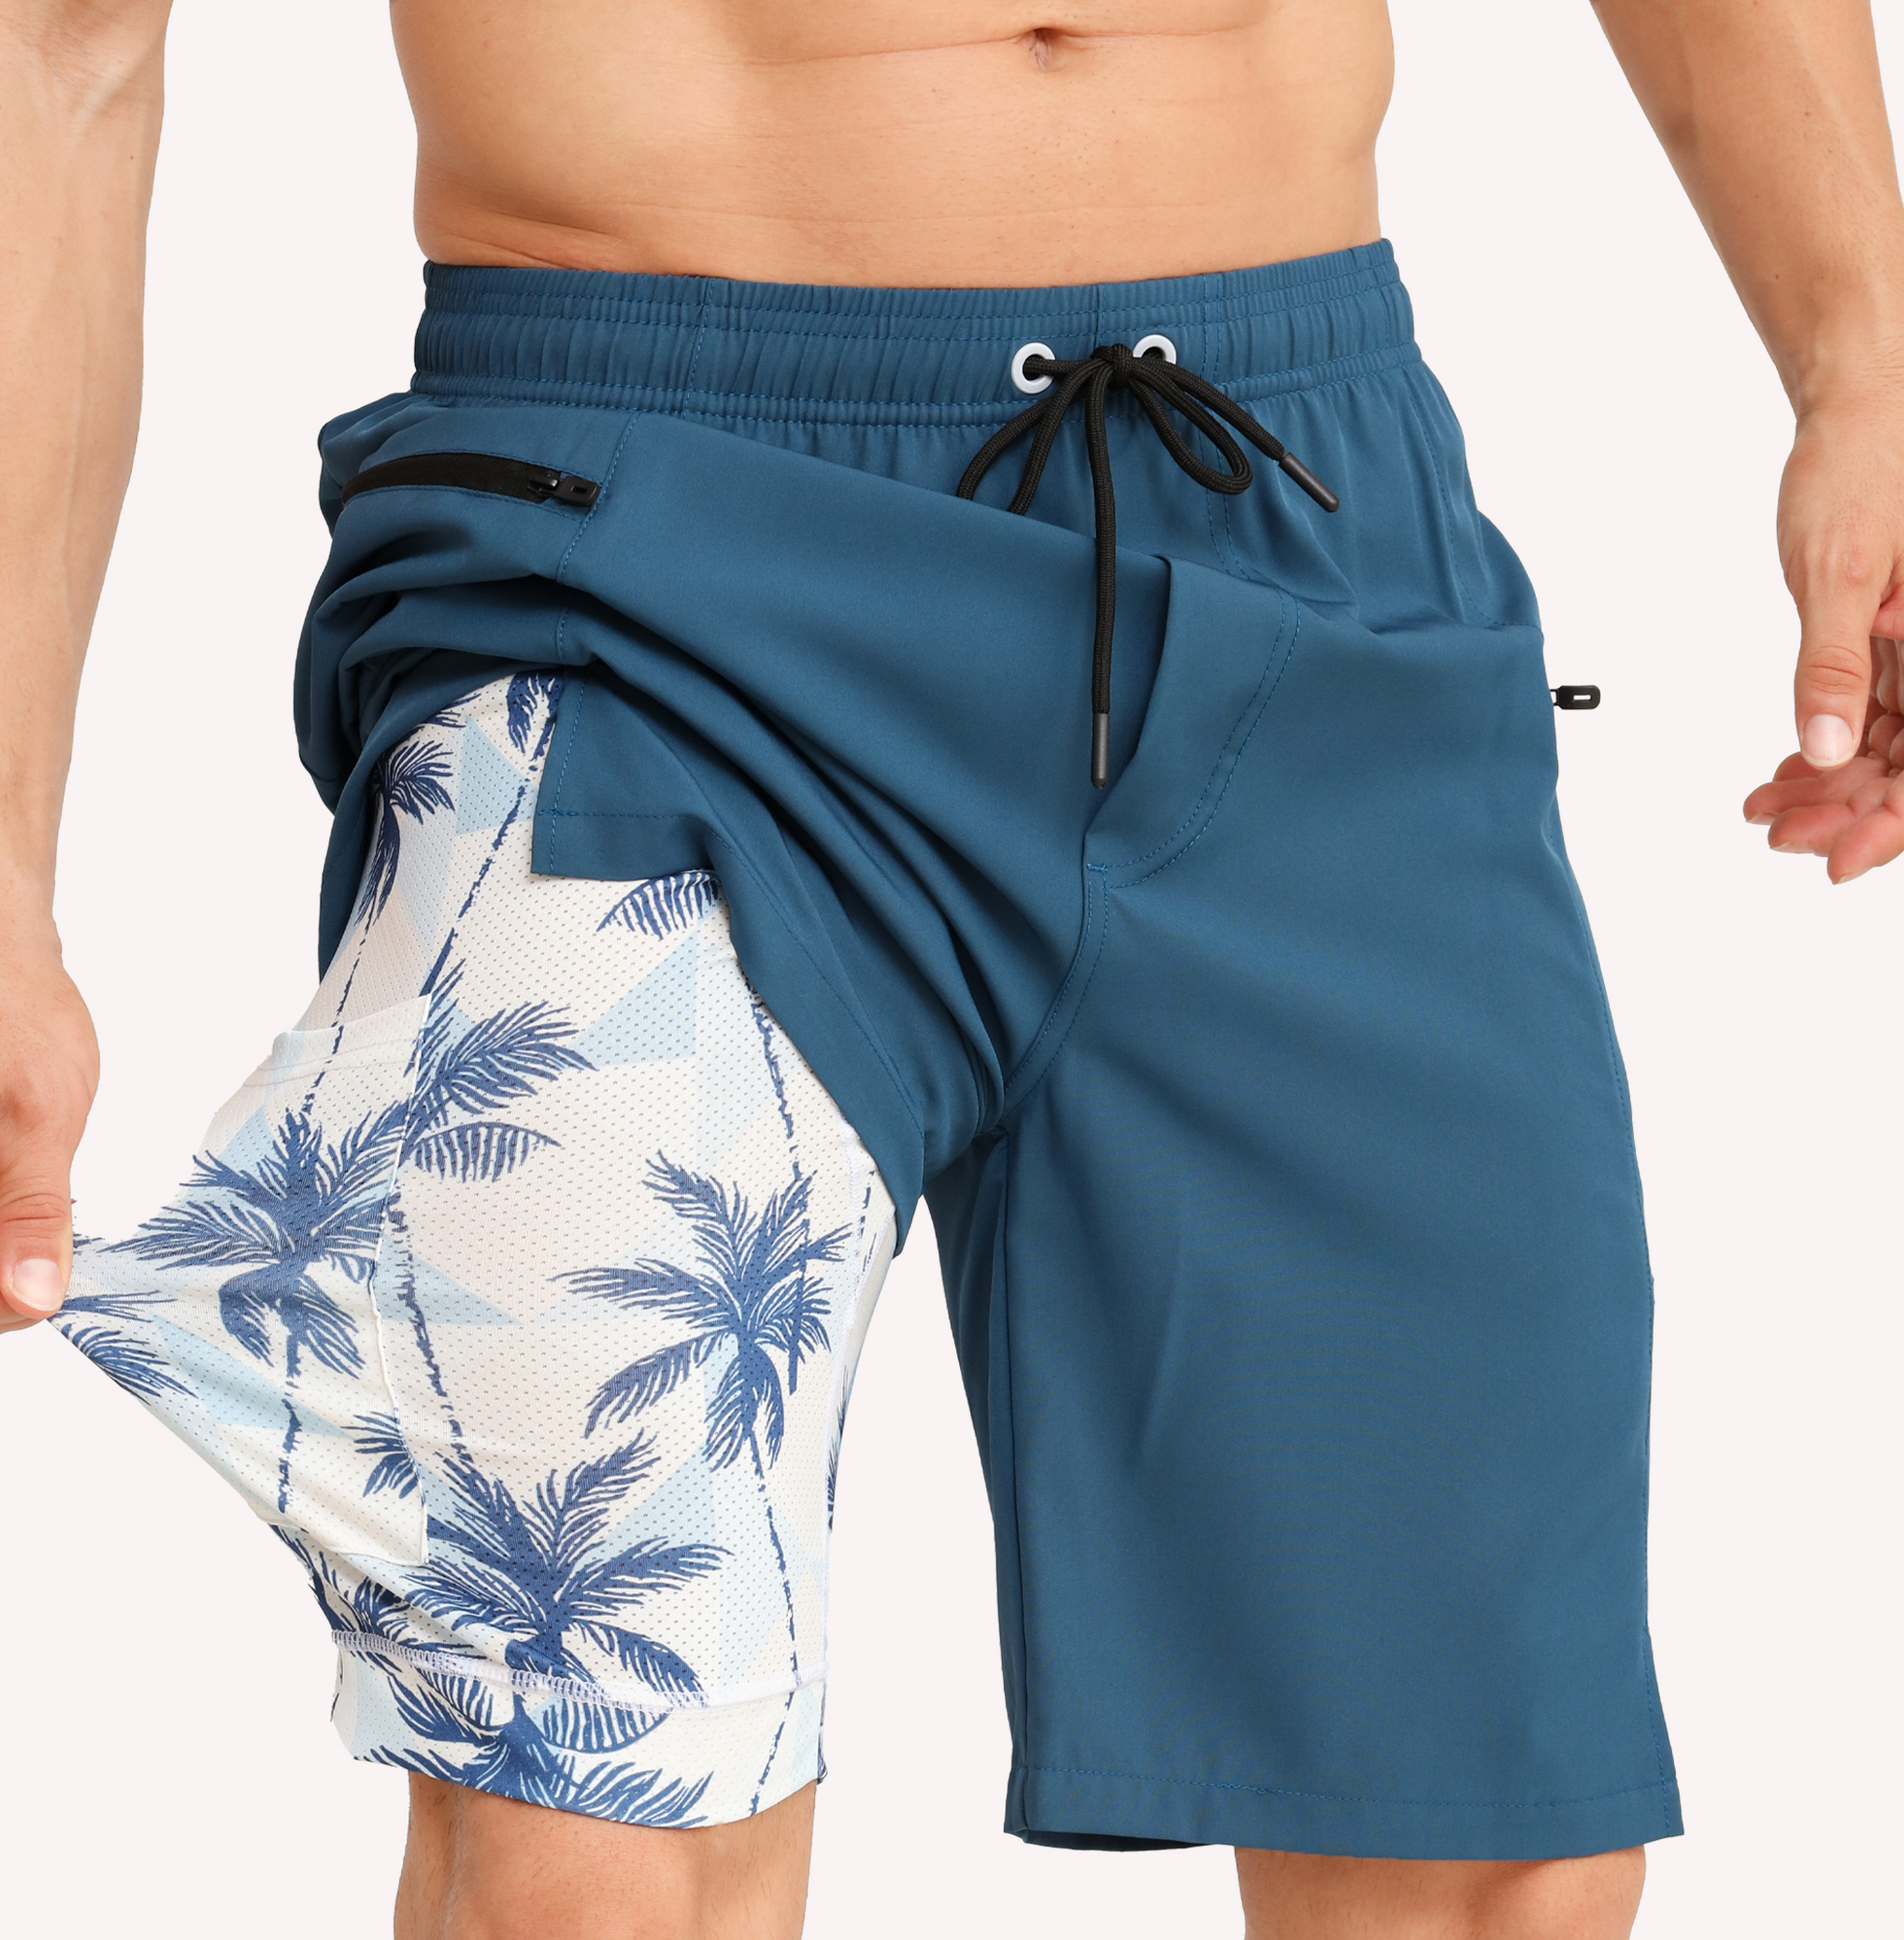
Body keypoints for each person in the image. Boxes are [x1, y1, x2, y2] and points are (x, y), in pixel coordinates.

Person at [4, 3, 1901, 1936]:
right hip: (651, 570)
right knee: (595, 1811)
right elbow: (57, 54)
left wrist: (1866, 360)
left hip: (1297, 527)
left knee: (1476, 1837)